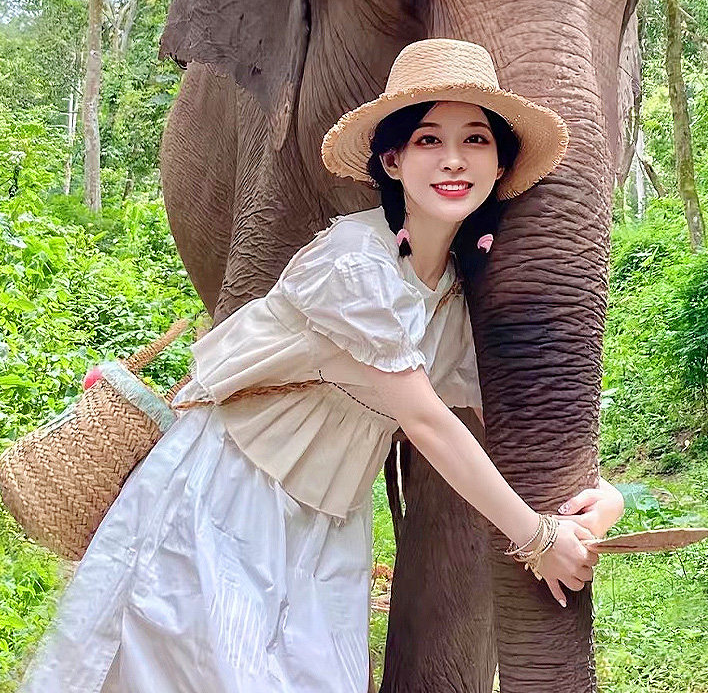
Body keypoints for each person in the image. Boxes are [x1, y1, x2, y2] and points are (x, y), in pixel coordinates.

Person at [19, 39, 624, 693]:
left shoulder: (449, 291)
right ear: (392, 161)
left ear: (499, 161)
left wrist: (606, 494)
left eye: (476, 139)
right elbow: (425, 421)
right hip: (225, 500)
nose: (454, 159)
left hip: (324, 532)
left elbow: (509, 414)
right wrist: (536, 537)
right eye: (428, 141)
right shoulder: (355, 262)